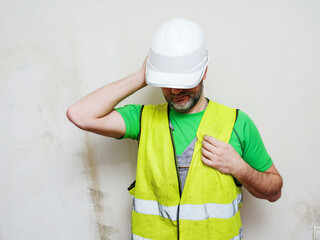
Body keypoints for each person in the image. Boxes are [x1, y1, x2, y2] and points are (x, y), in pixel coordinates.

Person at [67, 18, 283, 240]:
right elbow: (80, 114)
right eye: (167, 80)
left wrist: (239, 167)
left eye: (184, 81)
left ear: (204, 71)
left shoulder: (237, 122)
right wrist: (142, 76)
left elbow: (274, 191)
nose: (175, 89)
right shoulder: (143, 119)